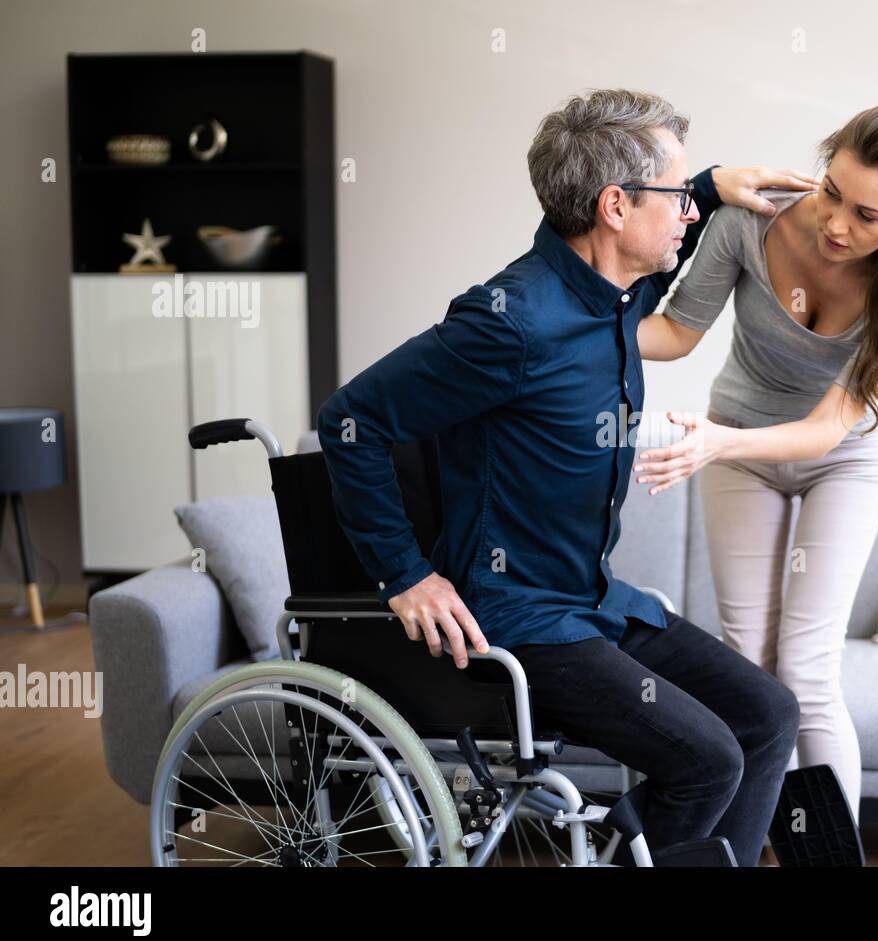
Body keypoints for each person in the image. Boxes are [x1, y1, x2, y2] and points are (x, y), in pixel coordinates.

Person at [313, 88, 823, 866]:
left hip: (592, 600)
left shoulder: (614, 290)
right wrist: (404, 575)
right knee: (707, 759)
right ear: (615, 206)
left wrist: (714, 185)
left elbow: (667, 247)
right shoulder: (509, 322)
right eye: (676, 195)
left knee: (767, 712)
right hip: (520, 620)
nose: (689, 213)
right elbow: (351, 420)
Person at [632, 102, 878, 822]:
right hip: (740, 448)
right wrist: (566, 322)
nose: (837, 225)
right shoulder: (748, 222)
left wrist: (717, 441)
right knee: (748, 669)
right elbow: (673, 334)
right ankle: (745, 847)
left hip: (838, 461)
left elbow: (822, 433)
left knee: (809, 674)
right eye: (831, 192)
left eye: (869, 217)